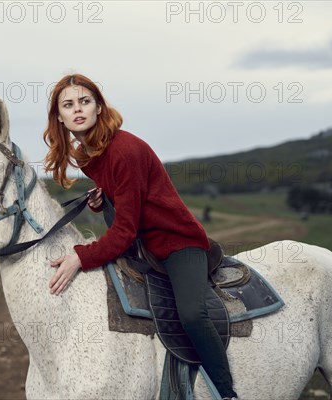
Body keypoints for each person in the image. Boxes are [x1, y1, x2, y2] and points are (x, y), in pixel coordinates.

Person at [42, 73, 238, 399]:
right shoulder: (86, 153)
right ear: (59, 116)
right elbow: (127, 192)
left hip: (177, 242)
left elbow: (124, 231)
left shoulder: (124, 150)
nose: (78, 110)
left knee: (191, 313)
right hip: (143, 246)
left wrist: (81, 256)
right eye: (68, 104)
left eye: (85, 101)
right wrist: (107, 194)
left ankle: (227, 393)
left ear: (99, 107)